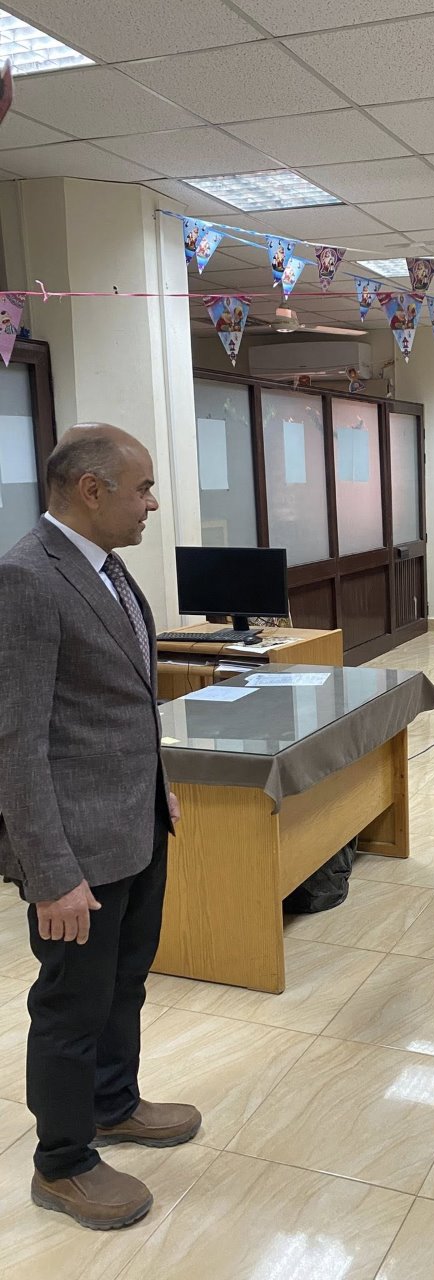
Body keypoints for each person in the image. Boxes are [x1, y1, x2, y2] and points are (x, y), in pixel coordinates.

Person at [0, 424, 200, 1231]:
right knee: (71, 1006)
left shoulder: (109, 570)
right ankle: (62, 1163)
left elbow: (120, 703)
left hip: (133, 827)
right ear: (92, 490)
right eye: (142, 488)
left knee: (125, 983)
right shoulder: (26, 579)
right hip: (75, 849)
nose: (152, 502)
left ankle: (114, 1103)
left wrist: (158, 791)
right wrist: (50, 874)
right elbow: (16, 742)